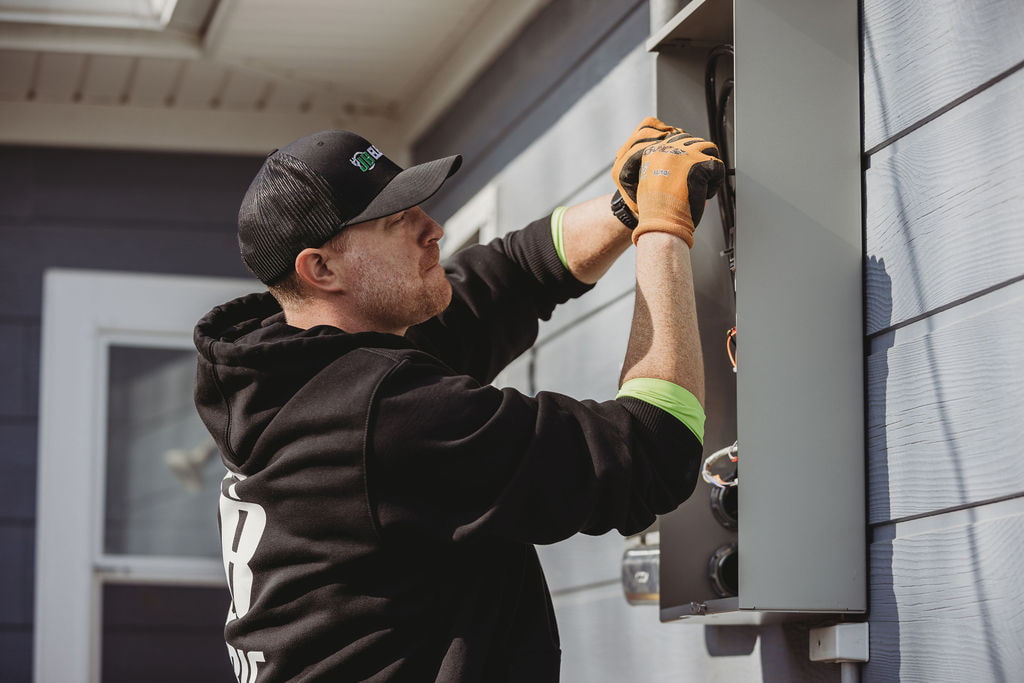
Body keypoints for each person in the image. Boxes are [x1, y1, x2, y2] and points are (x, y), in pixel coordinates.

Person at [193, 119, 724, 682]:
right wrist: (664, 232)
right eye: (399, 221)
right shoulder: (385, 417)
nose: (435, 229)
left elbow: (513, 273)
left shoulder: (290, 375)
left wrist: (629, 204)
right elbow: (648, 452)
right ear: (320, 268)